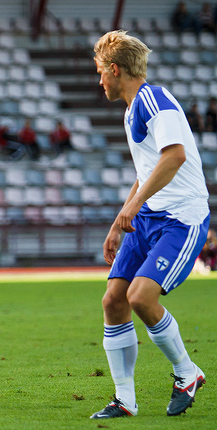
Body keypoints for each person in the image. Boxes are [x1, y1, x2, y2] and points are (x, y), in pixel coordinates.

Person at [90, 30, 209, 420]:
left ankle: (187, 373)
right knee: (113, 301)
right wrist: (119, 220)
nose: (99, 81)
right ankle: (125, 400)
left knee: (141, 298)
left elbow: (173, 157)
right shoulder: (132, 108)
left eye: (100, 72)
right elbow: (147, 172)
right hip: (149, 217)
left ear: (114, 68)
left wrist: (134, 206)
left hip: (181, 217)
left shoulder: (153, 98)